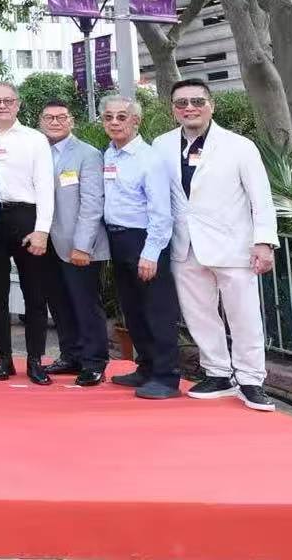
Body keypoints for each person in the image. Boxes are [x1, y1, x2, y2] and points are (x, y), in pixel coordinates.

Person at [155, 78, 278, 412]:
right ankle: (218, 373)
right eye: (181, 103)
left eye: (197, 101)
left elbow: (260, 199)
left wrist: (264, 242)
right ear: (173, 110)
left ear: (211, 105)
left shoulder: (239, 146)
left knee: (244, 315)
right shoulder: (161, 145)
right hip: (184, 246)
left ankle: (251, 379)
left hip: (233, 245)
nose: (189, 108)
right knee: (199, 315)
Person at [0, 81, 55, 385]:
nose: (2, 106)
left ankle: (35, 361)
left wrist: (42, 230)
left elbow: (46, 187)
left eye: (8, 100)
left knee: (34, 293)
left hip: (25, 217)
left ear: (18, 104)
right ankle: (4, 358)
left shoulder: (34, 140)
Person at [99, 94, 181, 400]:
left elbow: (161, 212)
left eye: (122, 117)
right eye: (109, 117)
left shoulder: (149, 159)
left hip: (145, 240)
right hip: (118, 240)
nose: (115, 123)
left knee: (157, 310)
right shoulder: (108, 155)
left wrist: (151, 253)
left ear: (136, 120)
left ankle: (166, 376)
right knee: (132, 310)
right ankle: (145, 367)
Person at [37, 100, 109, 386]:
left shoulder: (87, 154)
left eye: (61, 117)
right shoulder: (36, 150)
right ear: (40, 121)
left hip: (80, 244)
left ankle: (94, 361)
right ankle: (71, 355)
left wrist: (82, 245)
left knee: (85, 303)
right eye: (48, 117)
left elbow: (92, 204)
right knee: (59, 302)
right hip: (46, 242)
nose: (55, 122)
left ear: (72, 121)